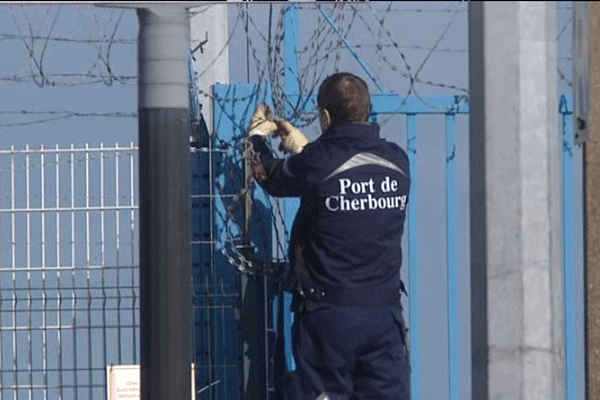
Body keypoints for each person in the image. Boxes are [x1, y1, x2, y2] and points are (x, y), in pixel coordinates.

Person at [248, 72, 411, 400]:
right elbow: (346, 173)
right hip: (384, 313)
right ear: (367, 111)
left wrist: (256, 139)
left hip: (329, 315)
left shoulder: (318, 162)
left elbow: (269, 176)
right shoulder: (397, 162)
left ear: (324, 116)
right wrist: (307, 149)